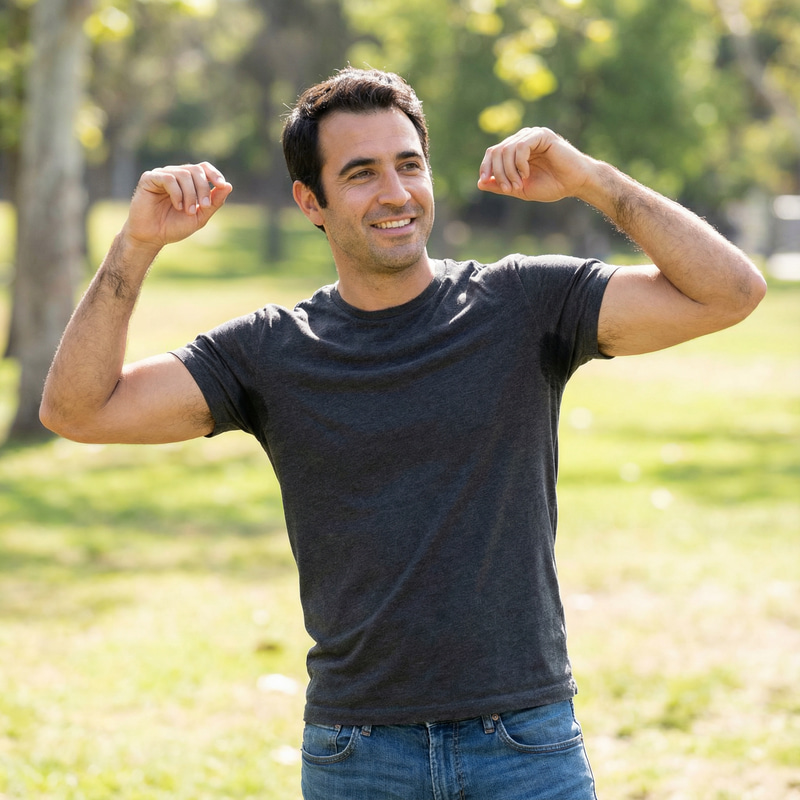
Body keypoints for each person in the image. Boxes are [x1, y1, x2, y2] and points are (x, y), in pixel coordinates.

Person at [40, 68, 766, 799]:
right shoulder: (268, 352)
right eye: (360, 174)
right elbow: (77, 410)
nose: (395, 193)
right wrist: (135, 246)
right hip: (358, 754)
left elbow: (730, 292)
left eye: (408, 165)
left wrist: (592, 180)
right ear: (310, 203)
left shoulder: (523, 303)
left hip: (525, 741)